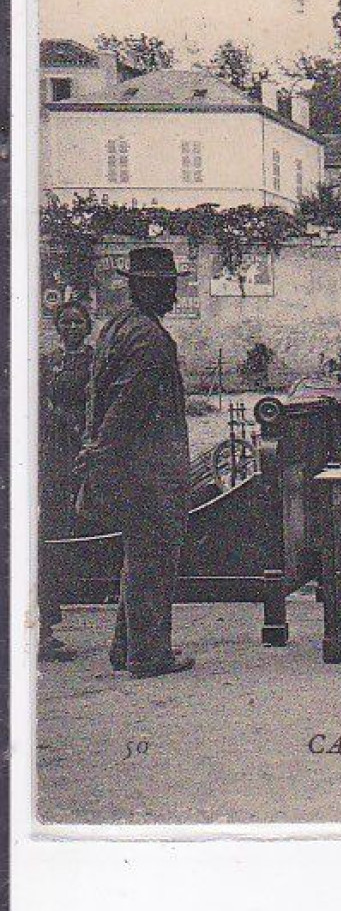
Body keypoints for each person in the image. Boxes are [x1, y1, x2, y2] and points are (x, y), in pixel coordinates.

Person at [75, 247, 194, 677]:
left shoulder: (118, 327)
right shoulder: (148, 337)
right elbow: (128, 406)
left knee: (139, 555)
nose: (175, 297)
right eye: (170, 287)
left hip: (129, 465)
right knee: (154, 558)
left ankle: (125, 646)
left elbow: (103, 400)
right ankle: (148, 654)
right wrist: (102, 453)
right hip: (147, 470)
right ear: (148, 287)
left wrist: (97, 452)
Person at [37, 300, 95, 661]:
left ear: (87, 327)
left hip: (82, 440)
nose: (72, 328)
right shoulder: (49, 362)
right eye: (66, 323)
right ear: (58, 327)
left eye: (78, 322)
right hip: (55, 446)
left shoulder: (93, 361)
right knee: (54, 516)